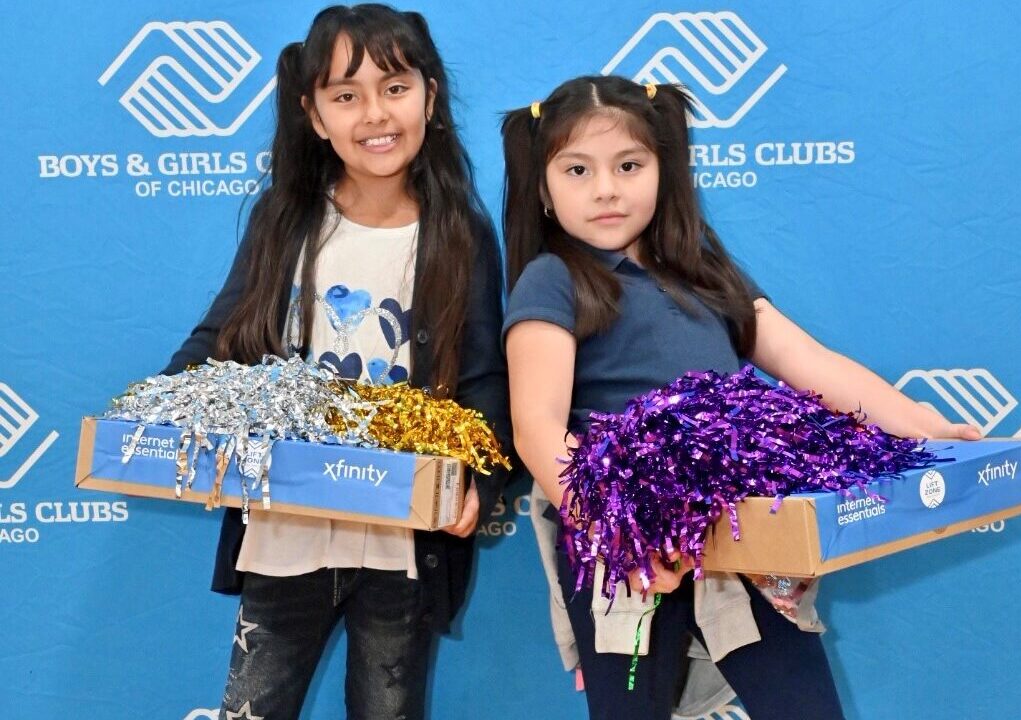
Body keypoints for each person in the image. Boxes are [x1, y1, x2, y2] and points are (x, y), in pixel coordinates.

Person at [501, 75, 978, 720]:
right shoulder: (551, 280)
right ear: (543, 188)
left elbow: (808, 363)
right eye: (578, 170)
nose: (607, 188)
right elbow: (537, 427)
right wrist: (621, 533)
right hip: (625, 544)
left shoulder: (703, 272)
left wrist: (920, 426)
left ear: (664, 171)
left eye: (629, 165)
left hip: (743, 536)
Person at [162, 6, 509, 718]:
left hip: (403, 545)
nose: (373, 114)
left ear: (430, 98)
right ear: (313, 115)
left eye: (394, 87)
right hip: (284, 531)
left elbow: (481, 381)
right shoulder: (283, 220)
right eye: (345, 95)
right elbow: (221, 339)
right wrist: (156, 412)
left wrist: (483, 479)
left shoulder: (461, 233)